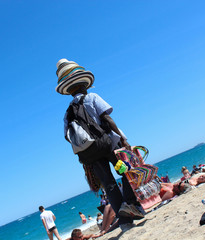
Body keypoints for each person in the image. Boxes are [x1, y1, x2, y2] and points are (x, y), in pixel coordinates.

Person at [56, 58, 143, 231]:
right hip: (108, 143)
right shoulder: (92, 97)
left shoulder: (67, 113)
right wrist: (123, 139)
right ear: (83, 84)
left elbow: (68, 137)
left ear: (69, 90)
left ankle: (125, 222)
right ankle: (130, 203)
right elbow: (107, 118)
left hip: (90, 154)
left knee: (108, 184)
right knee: (127, 171)